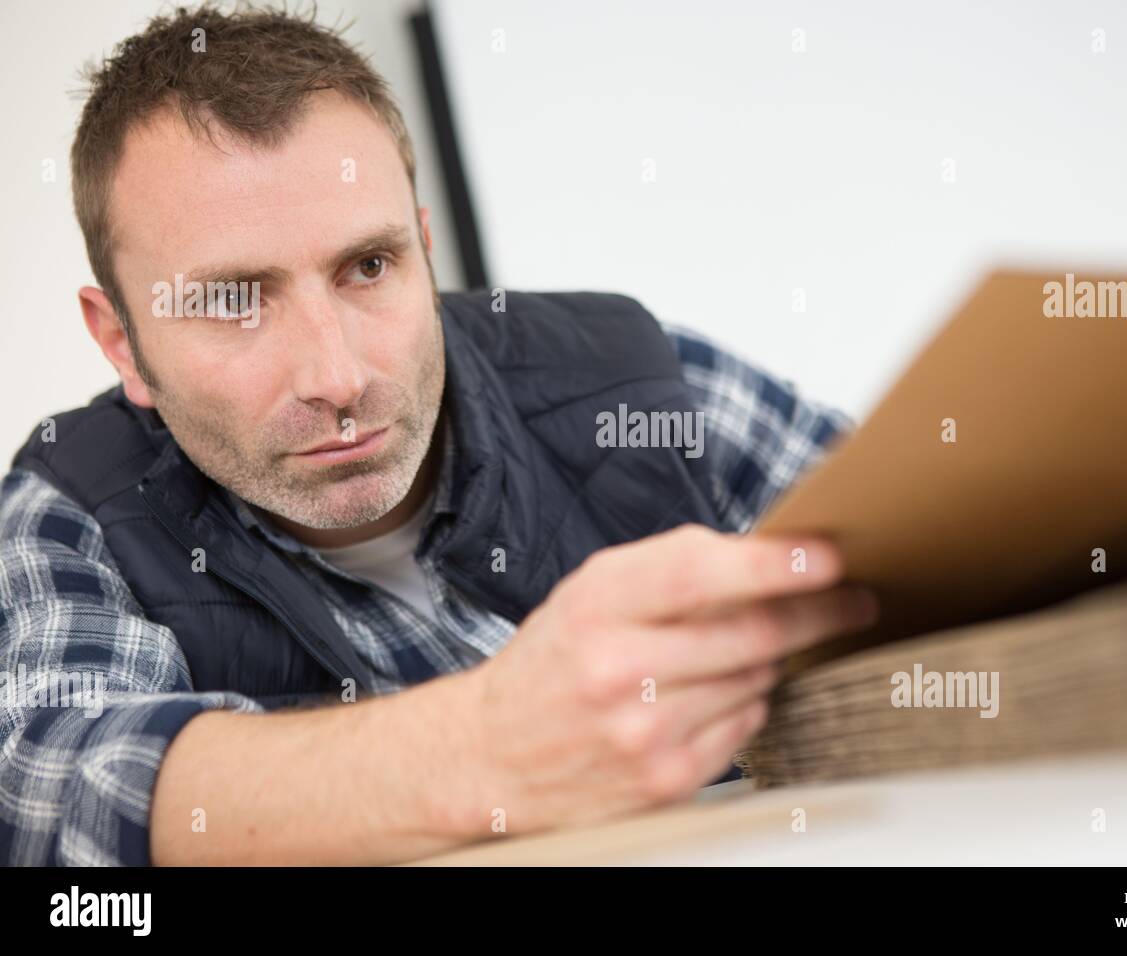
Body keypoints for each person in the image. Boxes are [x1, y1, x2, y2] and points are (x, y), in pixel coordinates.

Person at [0, 5, 876, 865]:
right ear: (122, 342)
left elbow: (919, 543)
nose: (338, 377)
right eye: (233, 302)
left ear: (425, 252)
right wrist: (489, 742)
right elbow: (51, 791)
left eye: (368, 266)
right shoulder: (73, 506)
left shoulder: (628, 377)